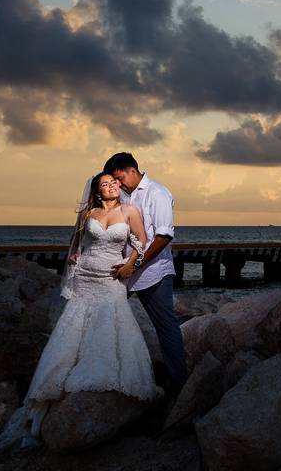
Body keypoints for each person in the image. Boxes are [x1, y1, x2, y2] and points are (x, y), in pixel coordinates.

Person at [20, 173, 158, 443]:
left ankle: (103, 380)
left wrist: (131, 264)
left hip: (111, 279)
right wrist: (73, 254)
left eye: (113, 182)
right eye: (105, 184)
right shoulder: (88, 213)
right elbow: (76, 239)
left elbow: (142, 241)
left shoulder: (129, 211)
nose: (111, 186)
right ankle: (58, 381)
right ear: (97, 191)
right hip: (85, 277)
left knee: (110, 322)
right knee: (75, 325)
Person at [102, 152, 188, 398]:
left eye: (119, 178)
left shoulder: (158, 193)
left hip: (152, 272)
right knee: (105, 318)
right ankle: (111, 373)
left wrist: (136, 264)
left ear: (132, 170)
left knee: (166, 327)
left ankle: (179, 385)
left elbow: (163, 236)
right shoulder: (123, 194)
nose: (118, 183)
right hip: (123, 270)